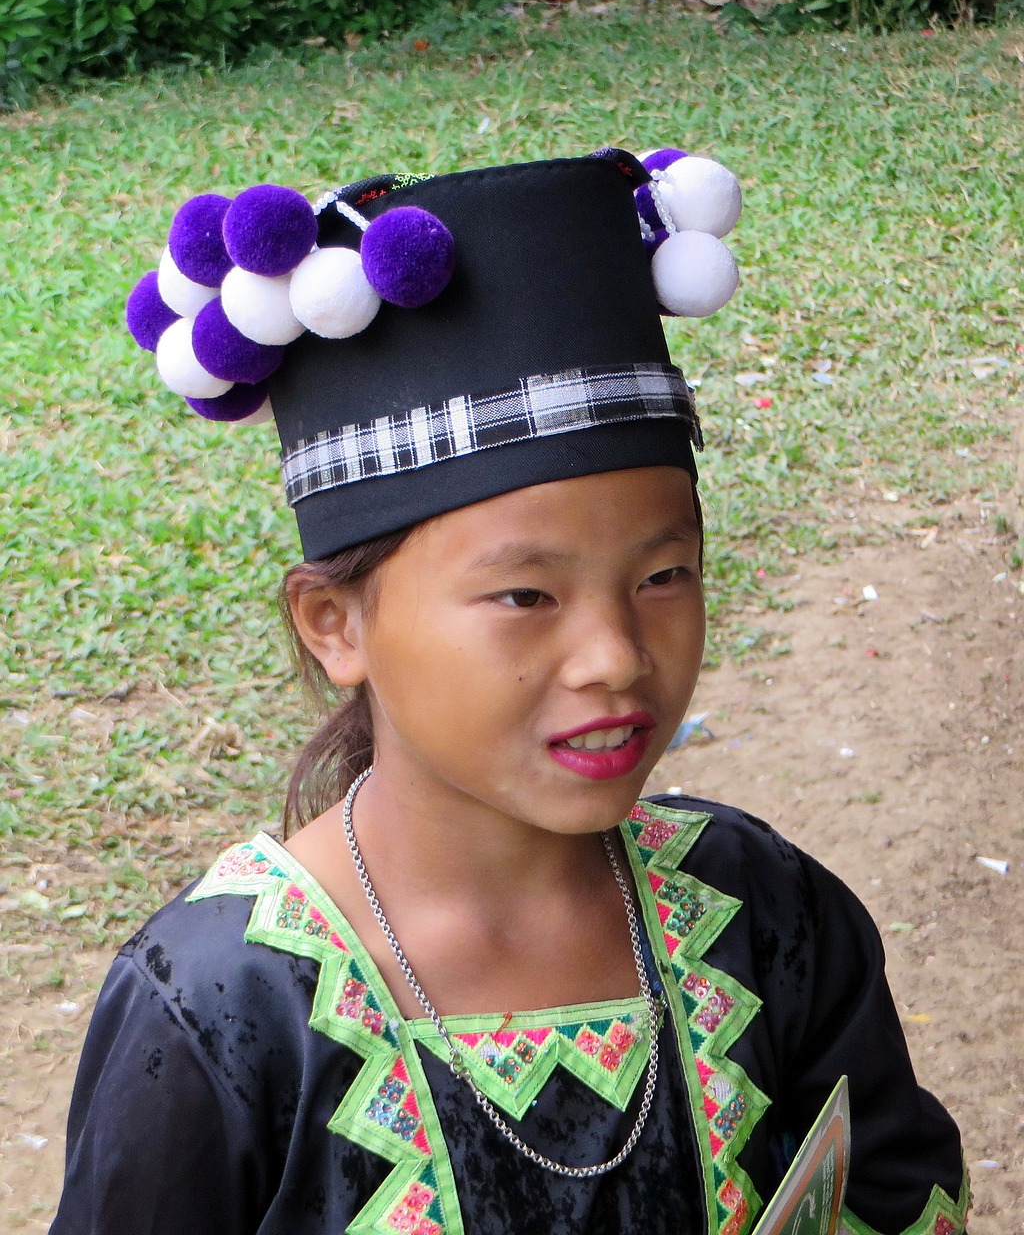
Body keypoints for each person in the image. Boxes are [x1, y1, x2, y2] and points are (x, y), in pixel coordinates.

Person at [52, 147, 969, 1235]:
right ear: (335, 623)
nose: (615, 656)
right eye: (527, 593)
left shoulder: (766, 915)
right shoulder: (218, 1006)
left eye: (663, 574)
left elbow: (894, 1192)